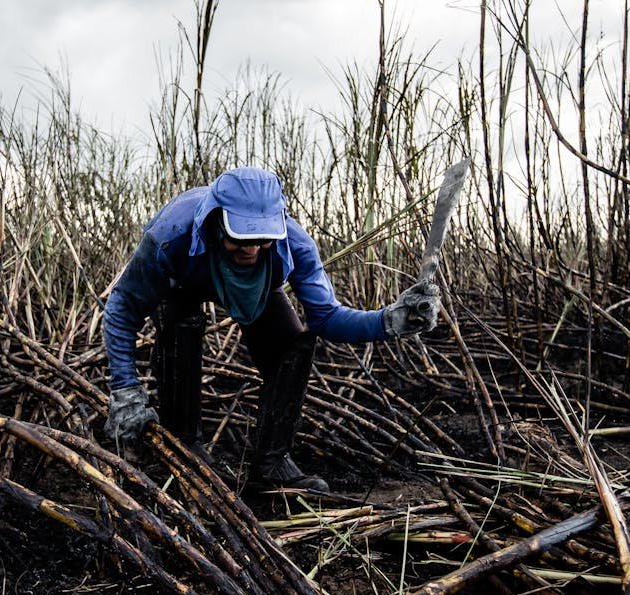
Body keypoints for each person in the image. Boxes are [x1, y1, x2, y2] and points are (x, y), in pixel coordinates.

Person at [102, 167, 440, 491]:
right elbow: (122, 309)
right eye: (239, 237)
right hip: (185, 281)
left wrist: (389, 320)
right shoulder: (170, 238)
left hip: (257, 289)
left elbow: (328, 318)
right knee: (182, 326)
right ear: (217, 222)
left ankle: (272, 463)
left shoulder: (293, 244)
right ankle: (184, 446)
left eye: (262, 238)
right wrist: (126, 391)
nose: (251, 249)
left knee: (293, 344)